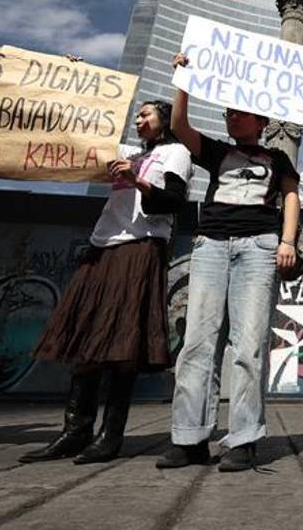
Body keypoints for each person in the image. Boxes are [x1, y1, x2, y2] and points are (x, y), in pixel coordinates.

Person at [21, 100, 190, 464]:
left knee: (121, 345)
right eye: (139, 115)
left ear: (164, 121)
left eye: (148, 115)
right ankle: (74, 430)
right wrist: (72, 79)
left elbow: (174, 202)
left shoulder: (175, 153)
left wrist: (138, 181)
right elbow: (78, 135)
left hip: (139, 246)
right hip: (102, 245)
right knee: (86, 337)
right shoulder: (126, 151)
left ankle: (109, 435)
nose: (140, 120)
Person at [158, 53, 300, 473]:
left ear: (261, 121)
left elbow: (291, 196)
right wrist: (183, 77)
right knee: (198, 341)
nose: (232, 116)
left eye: (241, 111)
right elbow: (180, 127)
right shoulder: (216, 151)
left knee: (248, 344)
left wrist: (287, 240)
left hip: (259, 247)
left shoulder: (278, 160)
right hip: (212, 245)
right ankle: (189, 437)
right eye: (228, 111)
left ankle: (243, 438)